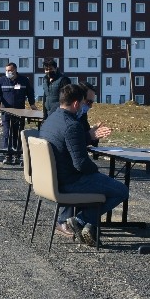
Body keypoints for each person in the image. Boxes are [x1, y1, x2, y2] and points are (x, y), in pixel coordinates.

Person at [39, 84, 129, 247]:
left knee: (104, 184)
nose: (85, 107)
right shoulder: (72, 126)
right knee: (121, 191)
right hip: (69, 182)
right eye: (83, 103)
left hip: (49, 180)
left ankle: (86, 222)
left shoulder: (50, 120)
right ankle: (81, 220)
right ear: (75, 104)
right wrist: (96, 172)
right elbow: (81, 164)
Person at [0, 62, 36, 165]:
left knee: (17, 133)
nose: (8, 72)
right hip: (6, 112)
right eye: (6, 70)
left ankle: (17, 155)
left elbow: (30, 93)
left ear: (15, 70)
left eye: (10, 70)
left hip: (19, 112)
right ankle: (7, 155)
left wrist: (32, 104)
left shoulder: (23, 80)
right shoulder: (1, 80)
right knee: (7, 132)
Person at [79, 82, 113, 148]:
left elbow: (89, 136)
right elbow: (73, 142)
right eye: (89, 102)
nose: (91, 106)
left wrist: (96, 134)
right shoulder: (67, 117)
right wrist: (90, 135)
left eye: (92, 102)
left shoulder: (83, 114)